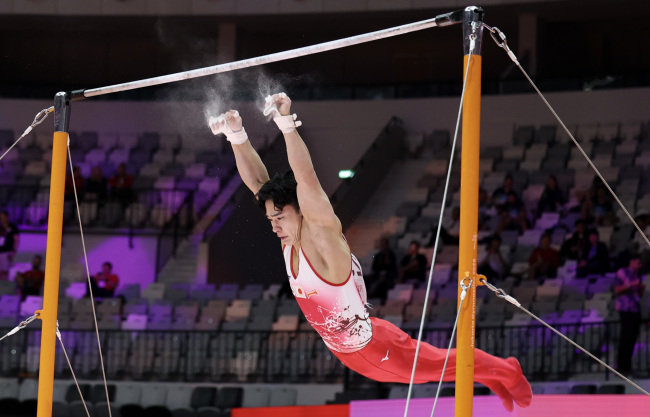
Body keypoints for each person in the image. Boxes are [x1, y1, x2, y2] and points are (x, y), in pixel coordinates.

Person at [208, 92, 532, 412]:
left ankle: (507, 371)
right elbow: (258, 184)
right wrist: (236, 135)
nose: (274, 226)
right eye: (271, 219)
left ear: (301, 208)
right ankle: (495, 375)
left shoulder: (321, 235)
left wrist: (286, 124)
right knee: (443, 368)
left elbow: (306, 180)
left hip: (375, 351)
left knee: (443, 367)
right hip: (357, 348)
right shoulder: (288, 237)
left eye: (279, 217)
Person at [614, 254, 645, 375]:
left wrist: (641, 289)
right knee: (625, 338)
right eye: (638, 263)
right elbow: (617, 290)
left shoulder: (637, 275)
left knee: (632, 338)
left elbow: (638, 295)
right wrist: (630, 284)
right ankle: (621, 367)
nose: (640, 266)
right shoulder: (622, 272)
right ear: (632, 261)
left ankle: (627, 366)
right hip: (625, 309)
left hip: (635, 309)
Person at [367, 236, 397, 301]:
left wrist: (388, 264)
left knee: (383, 281)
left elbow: (393, 268)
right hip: (378, 275)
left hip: (388, 276)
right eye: (382, 244)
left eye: (385, 244)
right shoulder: (378, 256)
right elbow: (374, 268)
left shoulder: (391, 255)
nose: (383, 246)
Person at [0, 211, 19, 280]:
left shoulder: (12, 227)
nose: (1, 218)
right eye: (0, 217)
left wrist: (12, 252)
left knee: (5, 270)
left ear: (7, 217)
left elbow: (16, 240)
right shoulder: (0, 227)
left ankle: (5, 284)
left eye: (3, 216)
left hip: (7, 252)